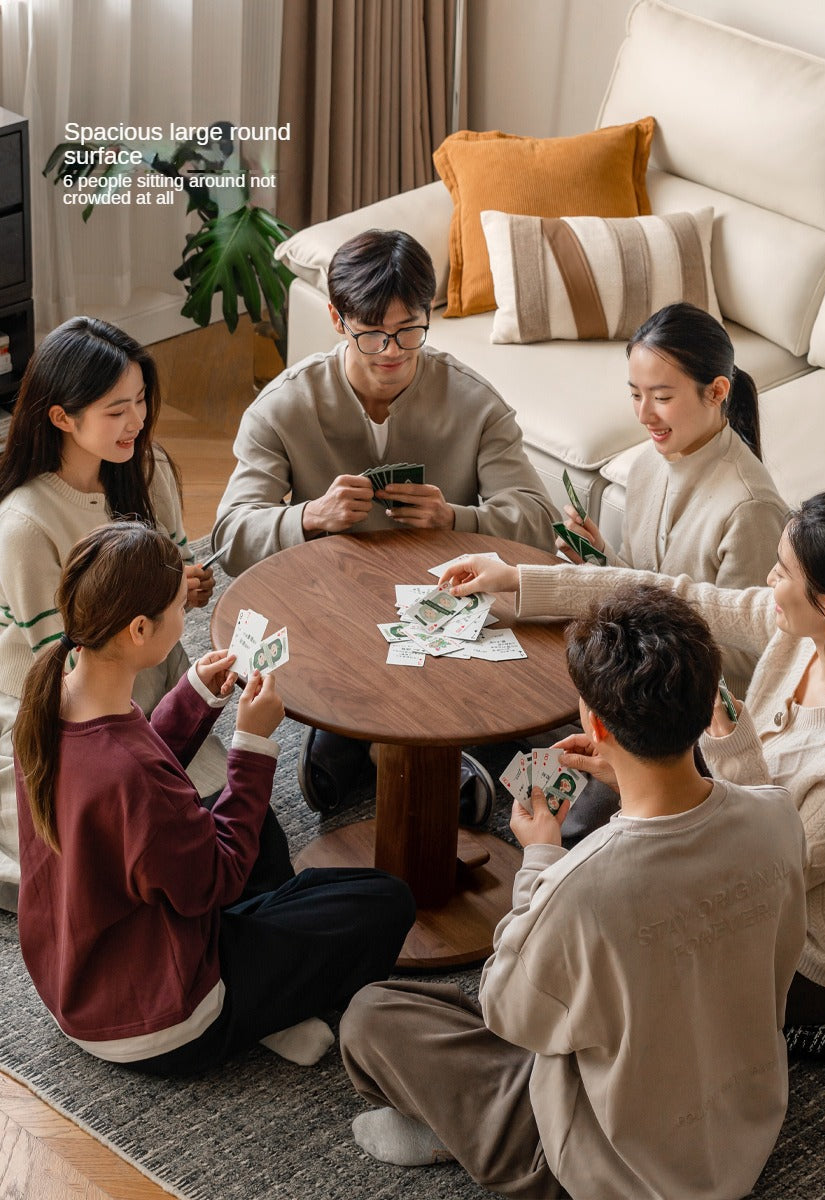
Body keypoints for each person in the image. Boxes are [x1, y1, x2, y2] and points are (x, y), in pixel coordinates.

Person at [340, 583, 807, 1199]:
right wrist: (625, 777)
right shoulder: (777, 817)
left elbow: (506, 1015)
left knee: (372, 1015)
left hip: (616, 1169)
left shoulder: (579, 883)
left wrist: (539, 858)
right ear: (706, 706)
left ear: (595, 722)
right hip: (743, 1122)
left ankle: (459, 1129)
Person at [439, 489, 825, 1026]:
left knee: (624, 936)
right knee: (619, 801)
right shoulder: (806, 631)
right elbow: (674, 597)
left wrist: (721, 755)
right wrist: (519, 579)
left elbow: (767, 871)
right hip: (752, 825)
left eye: (781, 571)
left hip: (807, 948)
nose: (769, 581)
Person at [14, 522, 415, 1076]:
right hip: (167, 1022)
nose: (189, 618)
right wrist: (252, 745)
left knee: (266, 837)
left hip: (80, 986)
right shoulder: (130, 774)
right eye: (181, 607)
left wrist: (195, 695)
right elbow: (218, 879)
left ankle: (270, 983)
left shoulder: (50, 705)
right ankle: (261, 1016)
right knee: (384, 898)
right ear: (137, 630)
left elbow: (138, 778)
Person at [212, 228, 558, 815]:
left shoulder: (475, 403)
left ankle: (358, 740)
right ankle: (386, 743)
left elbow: (539, 524)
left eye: (409, 330)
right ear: (336, 318)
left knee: (504, 668)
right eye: (372, 332)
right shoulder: (283, 407)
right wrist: (309, 517)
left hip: (444, 607)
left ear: (430, 316)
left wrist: (456, 516)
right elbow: (229, 537)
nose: (392, 351)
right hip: (332, 606)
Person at [0, 316, 224, 912]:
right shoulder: (25, 524)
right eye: (116, 409)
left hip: (145, 666)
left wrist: (185, 589)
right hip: (58, 699)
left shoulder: (150, 471)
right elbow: (62, 669)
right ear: (61, 417)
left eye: (142, 401)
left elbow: (171, 572)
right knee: (95, 851)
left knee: (193, 824)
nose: (138, 421)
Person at [560, 302, 787, 699]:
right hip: (638, 682)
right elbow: (644, 581)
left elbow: (748, 659)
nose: (644, 415)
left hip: (693, 716)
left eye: (661, 397)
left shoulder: (750, 509)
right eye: (635, 395)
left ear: (716, 391)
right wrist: (601, 558)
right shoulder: (647, 465)